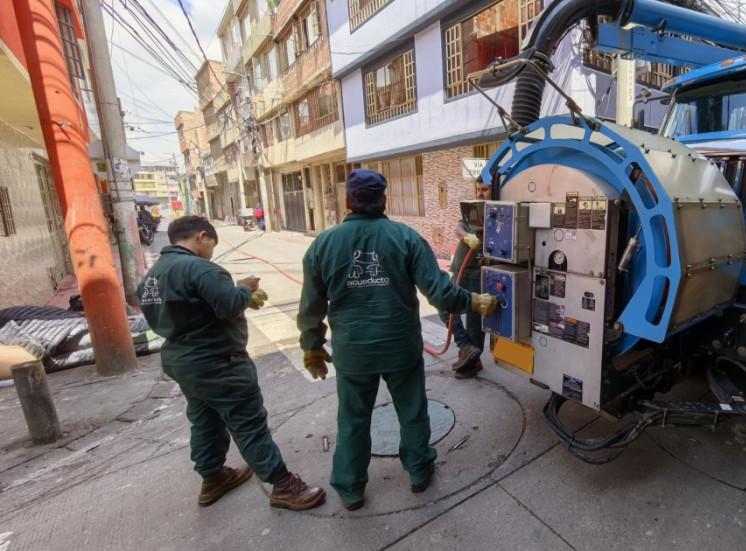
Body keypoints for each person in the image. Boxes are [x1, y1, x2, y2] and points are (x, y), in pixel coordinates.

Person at [297, 169, 497, 511]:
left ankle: (350, 488)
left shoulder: (323, 245)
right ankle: (419, 471)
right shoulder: (405, 237)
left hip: (353, 353)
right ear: (383, 200)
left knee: (352, 419)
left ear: (347, 202)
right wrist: (472, 302)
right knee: (412, 411)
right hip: (399, 348)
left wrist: (312, 346)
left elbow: (311, 306)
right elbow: (439, 291)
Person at [138, 216, 325, 511]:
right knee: (247, 421)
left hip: (182, 361)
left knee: (205, 419)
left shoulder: (152, 276)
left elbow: (192, 311)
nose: (212, 250)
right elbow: (228, 305)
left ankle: (213, 477)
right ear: (202, 236)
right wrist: (244, 289)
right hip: (218, 361)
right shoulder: (201, 269)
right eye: (212, 243)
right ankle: (283, 484)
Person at [437, 177, 491, 379]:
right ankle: (465, 346)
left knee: (475, 321)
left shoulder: (498, 214)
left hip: (479, 274)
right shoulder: (472, 209)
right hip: (460, 270)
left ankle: (473, 361)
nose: (480, 192)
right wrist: (467, 237)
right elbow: (459, 228)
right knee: (444, 306)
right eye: (478, 188)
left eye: (485, 189)